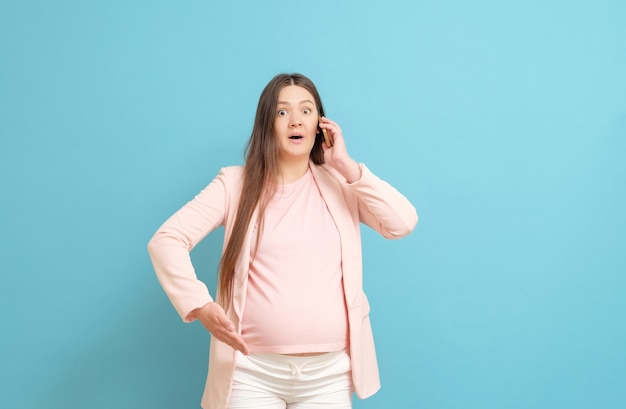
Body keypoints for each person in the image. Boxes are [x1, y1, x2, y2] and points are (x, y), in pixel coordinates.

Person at [147, 73, 418, 409]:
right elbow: (166, 240)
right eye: (282, 112)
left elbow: (402, 222)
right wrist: (200, 305)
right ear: (268, 123)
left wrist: (346, 165)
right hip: (251, 372)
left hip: (329, 376)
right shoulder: (235, 184)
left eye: (306, 111)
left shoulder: (341, 184)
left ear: (320, 124)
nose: (295, 120)